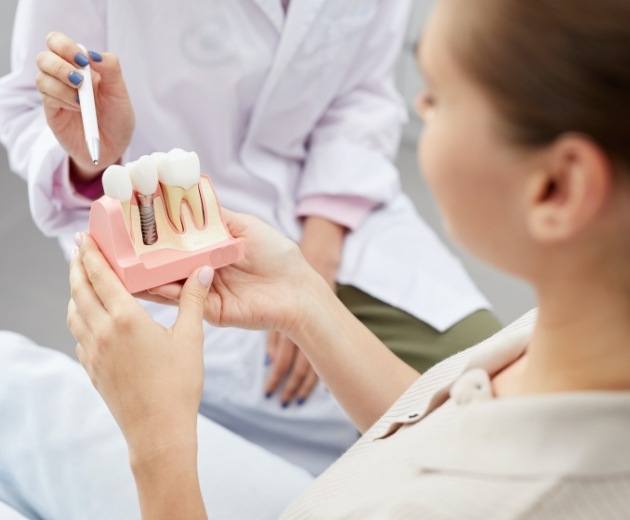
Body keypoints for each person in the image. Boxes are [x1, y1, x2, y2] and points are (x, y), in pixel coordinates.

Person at [65, 0, 630, 516]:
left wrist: (158, 443)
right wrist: (304, 300)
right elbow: (448, 431)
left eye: (436, 96)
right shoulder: (571, 341)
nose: (418, 106)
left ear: (556, 187)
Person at [0, 0, 500, 474]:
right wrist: (93, 157)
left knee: (485, 387)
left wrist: (317, 258)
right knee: (422, 441)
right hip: (165, 238)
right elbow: (29, 106)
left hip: (337, 212)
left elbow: (362, 94)